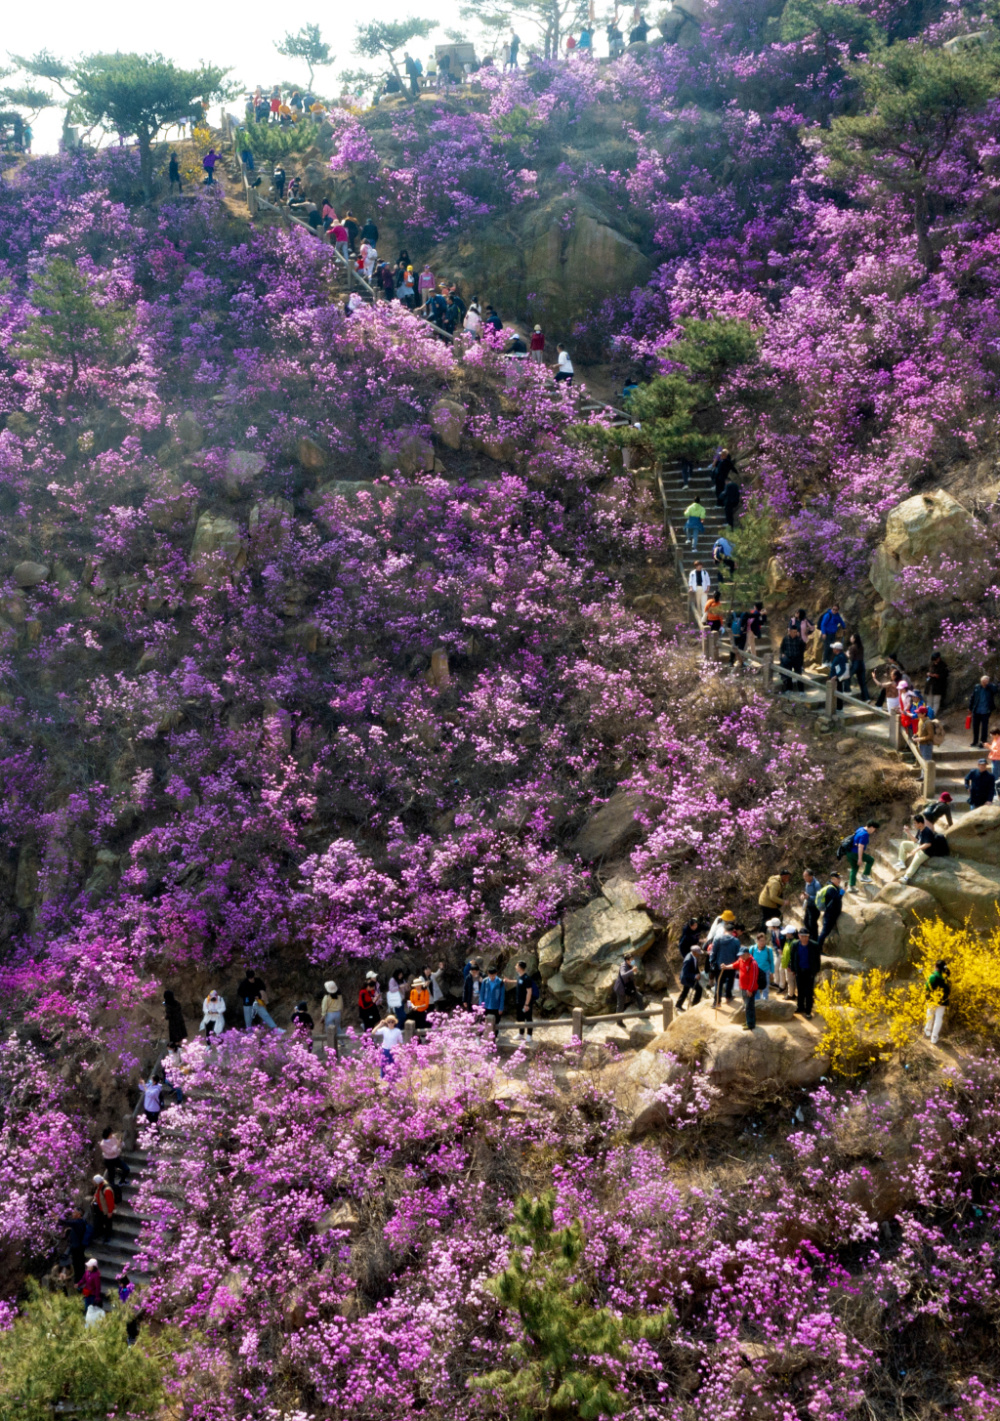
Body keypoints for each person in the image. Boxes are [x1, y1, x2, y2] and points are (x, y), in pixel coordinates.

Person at [894, 813, 950, 882]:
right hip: (919, 846)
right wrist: (908, 832)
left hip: (926, 852)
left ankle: (906, 878)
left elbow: (928, 844)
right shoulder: (920, 830)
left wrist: (916, 849)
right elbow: (916, 840)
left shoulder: (927, 831)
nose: (914, 825)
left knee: (915, 861)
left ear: (920, 823)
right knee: (904, 844)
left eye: (915, 823)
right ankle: (901, 862)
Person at [504, 960, 537, 1038]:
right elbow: (518, 982)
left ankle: (529, 1035)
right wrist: (509, 981)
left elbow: (529, 992)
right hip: (519, 1002)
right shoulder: (519, 976)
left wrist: (526, 1004)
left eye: (516, 965)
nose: (515, 967)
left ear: (520, 967)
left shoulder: (527, 978)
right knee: (520, 1018)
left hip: (526, 1003)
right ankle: (521, 1033)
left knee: (528, 1018)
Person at [794, 927, 821, 1018]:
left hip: (809, 972)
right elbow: (793, 958)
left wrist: (816, 971)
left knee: (809, 992)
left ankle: (808, 1010)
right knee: (800, 990)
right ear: (799, 936)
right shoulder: (795, 944)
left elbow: (817, 960)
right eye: (802, 936)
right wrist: (793, 969)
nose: (804, 938)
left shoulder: (814, 945)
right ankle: (800, 1007)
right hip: (799, 971)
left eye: (806, 936)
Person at [710, 926, 740, 1003]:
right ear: (733, 931)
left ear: (724, 930)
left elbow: (713, 951)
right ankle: (728, 996)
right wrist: (737, 965)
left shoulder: (717, 939)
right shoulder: (736, 941)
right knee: (730, 981)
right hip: (731, 965)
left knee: (719, 982)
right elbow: (738, 954)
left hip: (719, 964)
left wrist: (712, 961)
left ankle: (717, 1001)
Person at [845, 822, 878, 890]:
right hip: (855, 853)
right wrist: (859, 859)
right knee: (870, 860)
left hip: (849, 852)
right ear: (871, 827)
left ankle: (851, 887)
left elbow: (855, 840)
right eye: (874, 829)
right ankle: (864, 876)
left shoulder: (860, 829)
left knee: (854, 868)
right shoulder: (865, 834)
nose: (874, 831)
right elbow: (860, 846)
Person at [969, 675, 999, 748]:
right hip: (976, 710)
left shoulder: (990, 687)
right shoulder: (977, 687)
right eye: (983, 681)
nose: (984, 683)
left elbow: (996, 690)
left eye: (985, 681)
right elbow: (972, 697)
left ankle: (983, 742)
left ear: (988, 681)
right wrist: (970, 708)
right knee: (975, 727)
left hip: (986, 711)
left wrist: (988, 685)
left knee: (984, 727)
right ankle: (975, 741)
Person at [613, 951, 645, 1021]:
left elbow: (631, 978)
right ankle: (618, 1021)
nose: (633, 961)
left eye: (633, 959)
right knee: (620, 1005)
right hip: (621, 989)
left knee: (639, 997)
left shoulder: (630, 965)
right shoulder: (623, 966)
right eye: (631, 960)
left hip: (629, 987)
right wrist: (632, 971)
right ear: (627, 961)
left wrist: (635, 986)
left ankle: (642, 1015)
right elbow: (623, 975)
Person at [924, 960, 950, 1045]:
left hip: (932, 1000)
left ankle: (928, 1031)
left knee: (930, 1015)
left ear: (936, 967)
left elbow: (927, 988)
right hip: (943, 1001)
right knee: (939, 1018)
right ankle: (934, 1037)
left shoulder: (933, 977)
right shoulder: (946, 978)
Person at [735, 946, 761, 1031]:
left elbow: (753, 978)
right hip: (743, 987)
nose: (741, 957)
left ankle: (750, 1024)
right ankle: (748, 1021)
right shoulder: (742, 960)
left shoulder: (753, 963)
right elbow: (735, 965)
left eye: (742, 955)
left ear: (747, 954)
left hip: (749, 989)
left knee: (749, 1006)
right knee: (746, 1006)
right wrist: (726, 967)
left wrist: (750, 989)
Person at [816, 872, 844, 949]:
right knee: (824, 932)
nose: (840, 880)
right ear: (833, 879)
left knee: (826, 932)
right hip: (830, 915)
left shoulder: (835, 887)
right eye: (838, 879)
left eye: (840, 878)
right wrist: (842, 892)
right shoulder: (831, 889)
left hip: (832, 914)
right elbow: (837, 899)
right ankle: (818, 949)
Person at [64, 1207, 90, 1282]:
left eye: (75, 1213)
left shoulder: (78, 1222)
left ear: (79, 1215)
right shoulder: (80, 1222)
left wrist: (57, 1218)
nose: (73, 1214)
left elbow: (68, 1222)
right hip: (78, 1246)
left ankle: (79, 1281)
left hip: (77, 1247)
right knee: (79, 1263)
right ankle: (80, 1279)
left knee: (78, 1264)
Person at [676, 944, 703, 1011]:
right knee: (699, 989)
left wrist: (698, 973)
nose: (699, 955)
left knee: (685, 991)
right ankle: (694, 1006)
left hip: (689, 977)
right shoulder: (688, 960)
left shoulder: (694, 957)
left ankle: (678, 1005)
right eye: (698, 953)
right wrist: (694, 976)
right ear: (694, 952)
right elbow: (685, 973)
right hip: (686, 978)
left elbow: (695, 967)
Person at [779, 624, 804, 691]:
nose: (795, 633)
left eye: (796, 632)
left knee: (799, 675)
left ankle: (801, 691)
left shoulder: (799, 640)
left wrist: (801, 662)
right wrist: (782, 654)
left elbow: (802, 650)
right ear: (789, 631)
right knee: (788, 675)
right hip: (788, 658)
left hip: (796, 659)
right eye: (793, 632)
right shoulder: (785, 639)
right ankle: (789, 689)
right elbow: (782, 648)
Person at [750, 932, 774, 1001]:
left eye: (763, 940)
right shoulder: (752, 949)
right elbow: (748, 960)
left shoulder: (768, 950)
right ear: (757, 941)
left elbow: (771, 962)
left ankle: (765, 1001)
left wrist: (772, 973)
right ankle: (757, 1001)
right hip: (755, 971)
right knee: (755, 987)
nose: (762, 942)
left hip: (765, 971)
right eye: (760, 940)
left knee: (765, 988)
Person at [92, 1174, 115, 1243]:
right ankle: (101, 1233)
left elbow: (110, 1202)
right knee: (100, 1222)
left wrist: (110, 1212)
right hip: (100, 1208)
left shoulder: (107, 1190)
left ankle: (108, 1236)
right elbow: (97, 1193)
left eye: (94, 1182)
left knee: (108, 1224)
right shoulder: (100, 1186)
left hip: (106, 1210)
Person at [925, 651, 949, 716]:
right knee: (929, 701)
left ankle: (933, 715)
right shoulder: (932, 665)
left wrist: (936, 675)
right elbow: (928, 672)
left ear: (938, 658)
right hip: (930, 685)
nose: (935, 661)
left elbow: (944, 675)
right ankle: (928, 715)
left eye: (935, 659)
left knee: (936, 702)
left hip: (938, 686)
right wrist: (928, 674)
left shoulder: (943, 666)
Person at [846, 633, 869, 701]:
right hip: (862, 664)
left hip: (855, 664)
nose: (850, 638)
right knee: (862, 682)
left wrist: (847, 654)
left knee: (847, 677)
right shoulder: (861, 647)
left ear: (854, 639)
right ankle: (866, 698)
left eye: (851, 637)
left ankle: (847, 691)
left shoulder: (852, 647)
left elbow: (851, 658)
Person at [780, 926, 798, 1001]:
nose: (786, 934)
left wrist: (790, 965)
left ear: (791, 934)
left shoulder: (793, 942)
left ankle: (791, 995)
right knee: (789, 980)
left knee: (790, 980)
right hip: (786, 964)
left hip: (790, 965)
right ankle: (791, 993)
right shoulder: (788, 941)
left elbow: (793, 955)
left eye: (787, 933)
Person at [801, 868, 820, 937]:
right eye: (803, 876)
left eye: (805, 876)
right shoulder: (807, 882)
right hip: (808, 905)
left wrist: (809, 897)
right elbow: (807, 893)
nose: (804, 878)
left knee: (812, 924)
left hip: (815, 907)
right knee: (806, 922)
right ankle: (810, 937)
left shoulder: (816, 885)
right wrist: (804, 895)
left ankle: (815, 939)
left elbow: (819, 897)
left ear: (811, 876)